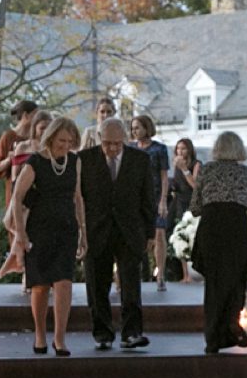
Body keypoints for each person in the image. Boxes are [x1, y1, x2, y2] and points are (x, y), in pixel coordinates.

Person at [4, 114, 82, 356]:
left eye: (70, 141)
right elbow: (17, 198)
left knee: (64, 283)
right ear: (50, 138)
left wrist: (84, 232)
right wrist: (21, 234)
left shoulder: (75, 161)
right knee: (40, 286)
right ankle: (40, 335)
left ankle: (60, 339)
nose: (65, 146)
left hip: (67, 227)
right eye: (61, 141)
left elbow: (78, 198)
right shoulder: (34, 162)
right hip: (40, 230)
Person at [78, 117, 156, 350]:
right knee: (96, 285)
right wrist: (80, 233)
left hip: (130, 230)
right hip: (96, 230)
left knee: (131, 284)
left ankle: (131, 333)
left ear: (126, 140)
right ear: (99, 139)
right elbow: (78, 198)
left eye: (117, 144)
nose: (112, 149)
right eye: (108, 143)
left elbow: (147, 198)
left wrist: (150, 233)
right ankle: (103, 333)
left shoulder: (140, 160)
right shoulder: (84, 160)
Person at [189, 130, 247, 353]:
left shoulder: (206, 171)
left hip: (211, 228)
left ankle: (213, 337)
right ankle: (230, 326)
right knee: (235, 281)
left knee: (214, 284)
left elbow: (195, 209)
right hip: (236, 229)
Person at [0, 109, 51, 278]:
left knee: (38, 241)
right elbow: (15, 177)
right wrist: (17, 201)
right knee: (24, 233)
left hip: (44, 199)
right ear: (35, 128)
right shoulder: (23, 146)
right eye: (42, 127)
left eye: (48, 128)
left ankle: (19, 265)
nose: (45, 131)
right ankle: (22, 269)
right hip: (24, 197)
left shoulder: (51, 149)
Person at [131, 115, 170, 294]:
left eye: (138, 127)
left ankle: (160, 273)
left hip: (154, 195)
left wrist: (163, 200)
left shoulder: (159, 149)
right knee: (136, 236)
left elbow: (164, 176)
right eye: (133, 128)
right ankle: (133, 274)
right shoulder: (130, 149)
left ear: (147, 128)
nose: (135, 131)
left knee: (159, 233)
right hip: (136, 197)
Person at [0, 98, 38, 204]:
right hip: (15, 190)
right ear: (26, 115)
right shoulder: (9, 137)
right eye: (35, 115)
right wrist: (10, 159)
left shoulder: (37, 137)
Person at [165, 138, 198, 284]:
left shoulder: (196, 165)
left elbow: (195, 185)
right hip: (178, 202)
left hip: (190, 203)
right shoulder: (176, 166)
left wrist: (185, 169)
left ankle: (193, 272)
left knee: (190, 235)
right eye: (178, 149)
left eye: (183, 148)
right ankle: (184, 274)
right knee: (177, 236)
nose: (180, 151)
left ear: (189, 150)